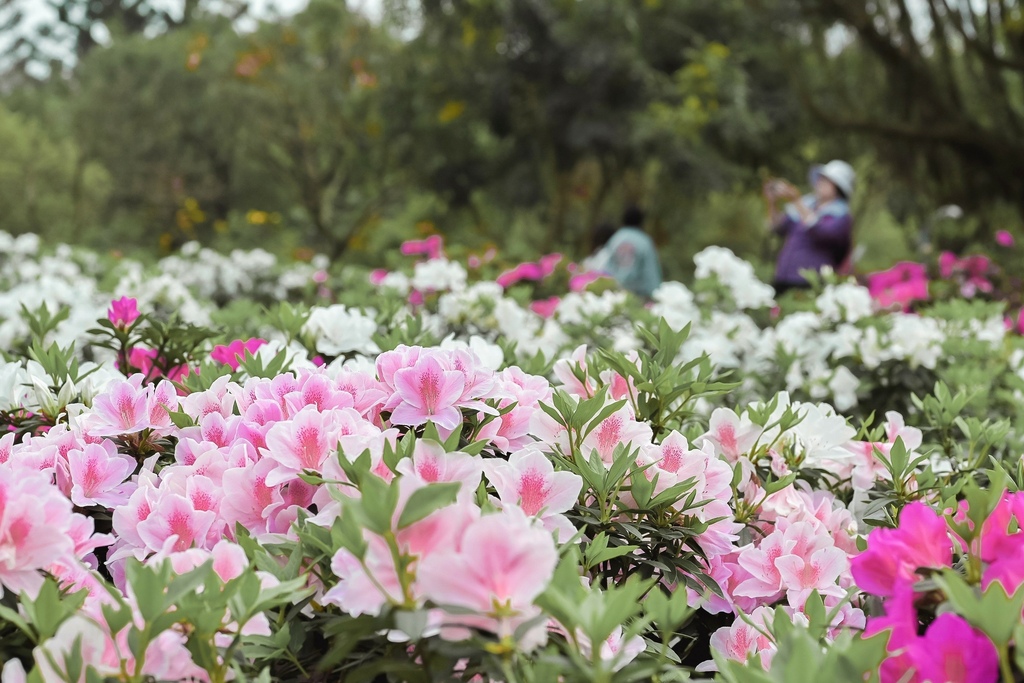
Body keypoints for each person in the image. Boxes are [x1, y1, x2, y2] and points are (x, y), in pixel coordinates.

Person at [765, 160, 855, 294]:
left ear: (838, 187)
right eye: (821, 179)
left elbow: (821, 233)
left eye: (827, 180)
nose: (820, 183)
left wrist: (797, 201)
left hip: (810, 282)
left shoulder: (841, 216)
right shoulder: (807, 204)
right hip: (784, 275)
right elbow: (778, 228)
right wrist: (772, 202)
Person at [597, 207, 663, 298]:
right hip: (637, 297)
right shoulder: (645, 241)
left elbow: (605, 266)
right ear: (641, 222)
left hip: (613, 294)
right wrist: (656, 294)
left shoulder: (616, 238)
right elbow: (651, 272)